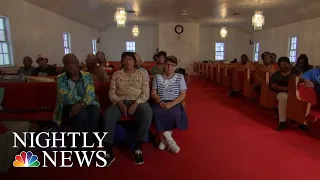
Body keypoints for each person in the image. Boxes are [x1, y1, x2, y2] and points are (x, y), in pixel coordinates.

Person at [103, 52, 152, 166]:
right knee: (108, 114)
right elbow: (111, 93)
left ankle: (138, 147)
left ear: (134, 62)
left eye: (130, 59)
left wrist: (135, 104)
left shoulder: (142, 74)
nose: (127, 61)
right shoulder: (117, 74)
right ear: (122, 62)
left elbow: (146, 93)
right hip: (119, 101)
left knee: (147, 112)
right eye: (125, 59)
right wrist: (119, 103)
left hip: (138, 102)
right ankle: (108, 149)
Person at [53, 54, 100, 151]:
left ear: (78, 64)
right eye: (67, 63)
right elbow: (65, 97)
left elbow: (90, 93)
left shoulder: (87, 76)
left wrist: (81, 104)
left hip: (86, 105)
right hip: (68, 107)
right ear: (64, 65)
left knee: (94, 112)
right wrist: (83, 101)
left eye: (73, 62)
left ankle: (87, 143)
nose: (70, 65)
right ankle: (82, 147)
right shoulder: (61, 78)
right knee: (81, 113)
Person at [151, 56, 188, 154]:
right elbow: (153, 93)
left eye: (172, 65)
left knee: (175, 114)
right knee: (157, 113)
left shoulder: (180, 77)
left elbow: (183, 94)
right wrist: (160, 102)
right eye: (167, 64)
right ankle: (170, 141)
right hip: (160, 101)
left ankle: (164, 140)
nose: (169, 67)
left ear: (175, 67)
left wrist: (172, 103)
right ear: (164, 65)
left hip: (174, 101)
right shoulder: (157, 77)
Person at [270, 57, 301, 131]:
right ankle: (282, 122)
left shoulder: (296, 71)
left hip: (295, 91)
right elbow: (273, 85)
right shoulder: (277, 74)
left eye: (285, 64)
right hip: (282, 92)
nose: (283, 66)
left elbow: (302, 78)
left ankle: (302, 122)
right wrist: (284, 89)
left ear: (289, 64)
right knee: (283, 98)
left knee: (301, 98)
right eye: (281, 64)